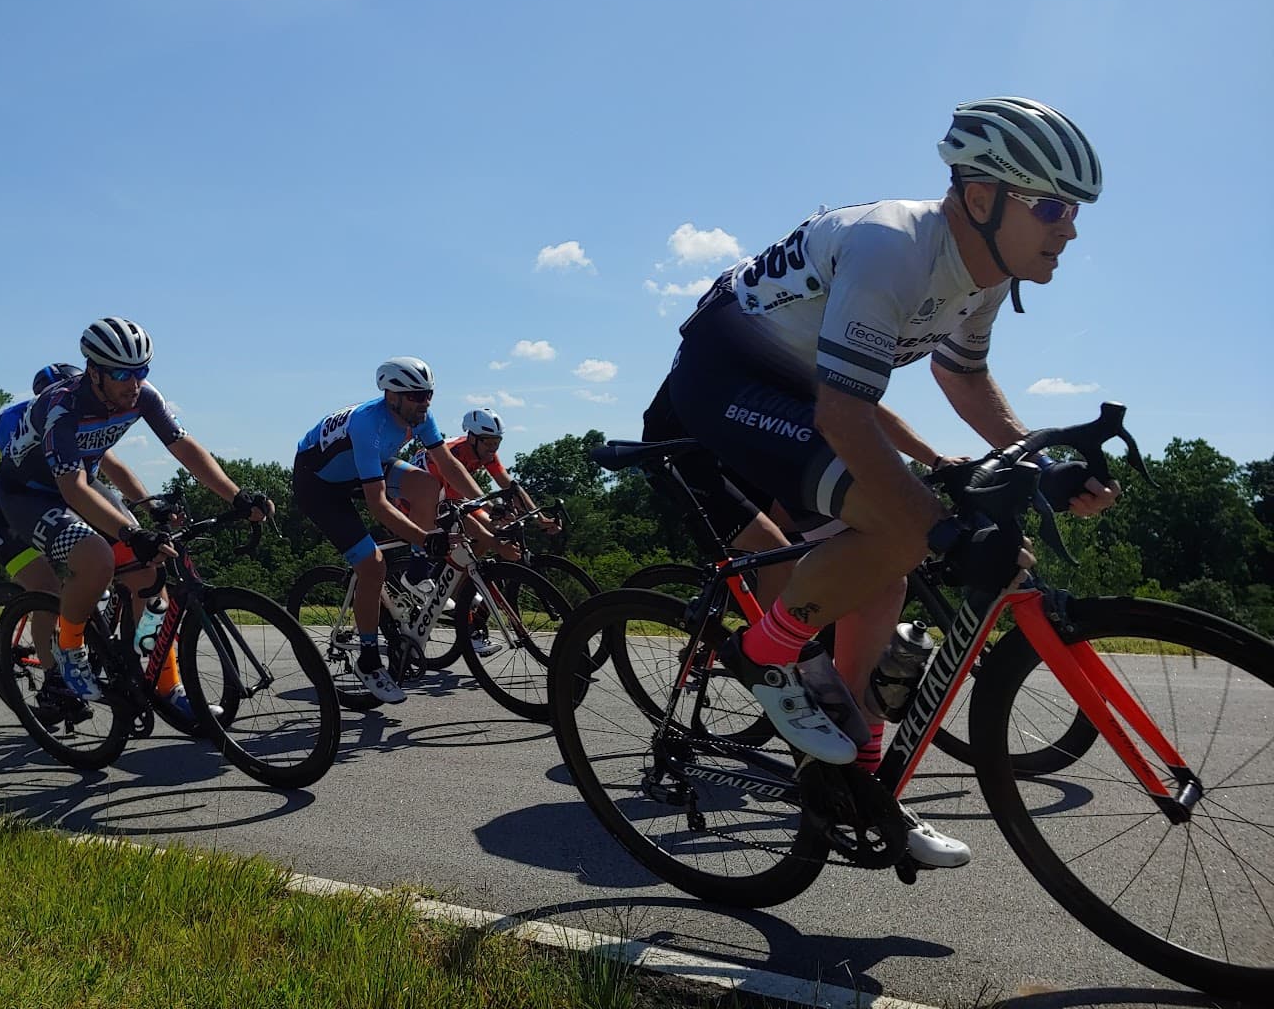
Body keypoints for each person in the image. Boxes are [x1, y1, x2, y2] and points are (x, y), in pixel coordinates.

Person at [649, 97, 1121, 868]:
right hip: (721, 377)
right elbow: (844, 410)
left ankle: (860, 788)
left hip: (795, 390)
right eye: (1053, 207)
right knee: (900, 526)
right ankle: (765, 652)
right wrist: (928, 515)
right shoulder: (892, 247)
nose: (1069, 228)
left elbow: (962, 377)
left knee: (886, 575)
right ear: (982, 197)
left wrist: (1037, 465)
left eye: (1074, 211)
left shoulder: (985, 273)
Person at [0, 318, 272, 718]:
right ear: (94, 371)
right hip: (32, 495)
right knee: (97, 557)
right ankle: (70, 650)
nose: (134, 382)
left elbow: (183, 447)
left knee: (150, 573)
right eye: (123, 373)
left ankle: (165, 683)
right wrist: (130, 530)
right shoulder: (62, 407)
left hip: (82, 483)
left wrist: (237, 495)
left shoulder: (143, 396)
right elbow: (72, 489)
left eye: (142, 371)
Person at [0, 362, 153, 712]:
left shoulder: (78, 419)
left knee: (99, 560)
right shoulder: (23, 423)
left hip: (46, 492)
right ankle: (53, 683)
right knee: (44, 584)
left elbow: (113, 468)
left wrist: (146, 508)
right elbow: (6, 484)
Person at [292, 357, 484, 704]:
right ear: (391, 396)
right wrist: (425, 537)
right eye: (415, 395)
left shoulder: (420, 416)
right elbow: (378, 505)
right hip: (319, 485)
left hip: (365, 467)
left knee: (427, 485)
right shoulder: (368, 424)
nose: (423, 402)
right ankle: (367, 659)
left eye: (428, 394)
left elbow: (447, 465)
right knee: (373, 564)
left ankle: (415, 571)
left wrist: (486, 502)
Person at [408, 407, 561, 657]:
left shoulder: (485, 452)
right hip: (424, 495)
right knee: (483, 529)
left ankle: (464, 583)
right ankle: (463, 604)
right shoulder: (454, 453)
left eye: (497, 443)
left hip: (449, 496)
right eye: (489, 443)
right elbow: (463, 505)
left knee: (492, 530)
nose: (493, 449)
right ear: (472, 438)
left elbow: (510, 485)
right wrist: (493, 514)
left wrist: (538, 517)